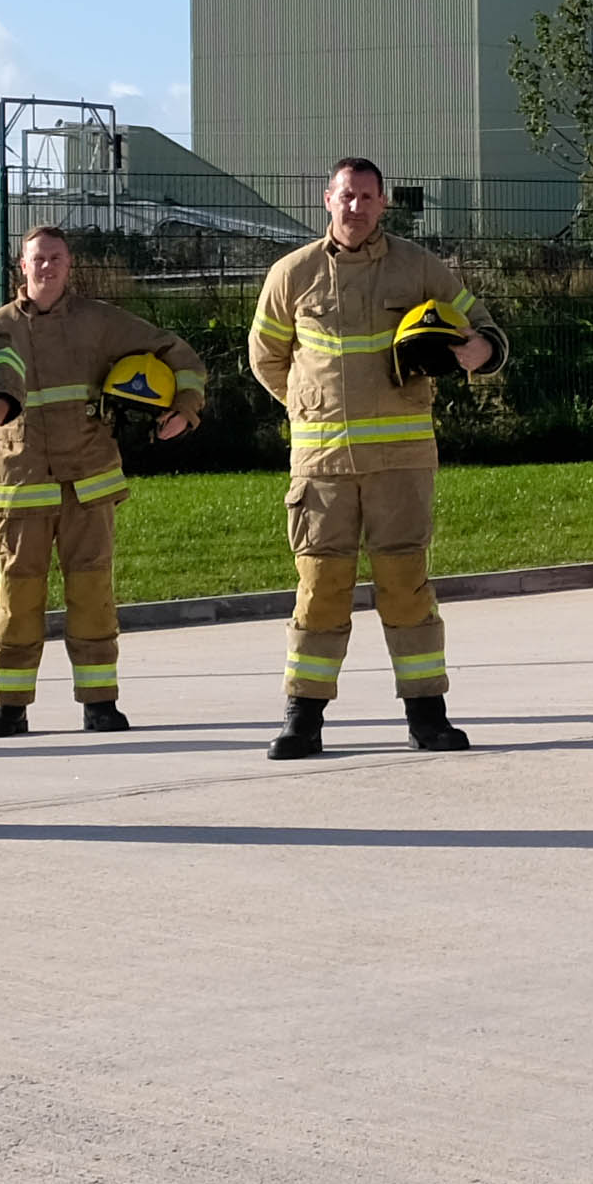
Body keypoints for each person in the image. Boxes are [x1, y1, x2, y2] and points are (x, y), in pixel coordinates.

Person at [247, 158, 494, 760]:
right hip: (321, 467)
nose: (355, 207)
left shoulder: (419, 268)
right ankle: (302, 719)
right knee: (320, 589)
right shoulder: (292, 274)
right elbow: (266, 357)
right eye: (345, 195)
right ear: (325, 199)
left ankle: (427, 717)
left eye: (366, 197)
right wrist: (309, 408)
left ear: (383, 204)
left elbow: (481, 327)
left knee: (406, 586)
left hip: (401, 463)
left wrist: (478, 350)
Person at [0, 221, 207, 735]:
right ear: (22, 266)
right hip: (18, 485)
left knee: (92, 594)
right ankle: (9, 706)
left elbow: (178, 354)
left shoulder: (100, 323)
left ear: (69, 265)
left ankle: (99, 701)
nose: (48, 266)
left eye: (57, 258)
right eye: (39, 258)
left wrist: (184, 409)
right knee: (16, 597)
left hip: (88, 484)